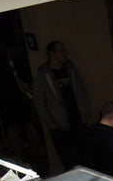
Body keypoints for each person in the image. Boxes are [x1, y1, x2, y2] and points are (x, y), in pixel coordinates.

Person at [33, 40, 90, 171]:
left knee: (86, 158)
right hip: (61, 128)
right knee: (70, 164)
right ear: (51, 53)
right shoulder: (43, 75)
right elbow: (39, 103)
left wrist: (85, 113)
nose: (64, 54)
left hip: (78, 122)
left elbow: (82, 91)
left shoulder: (71, 69)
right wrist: (53, 125)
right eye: (60, 51)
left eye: (65, 51)